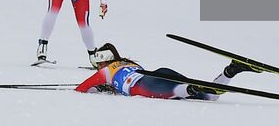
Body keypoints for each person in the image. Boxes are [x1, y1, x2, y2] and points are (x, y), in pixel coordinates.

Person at [75, 43, 257, 100]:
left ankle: (192, 89)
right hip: (158, 73)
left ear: (103, 61)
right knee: (210, 96)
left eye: (98, 65)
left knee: (195, 92)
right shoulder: (127, 62)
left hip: (145, 86)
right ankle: (231, 71)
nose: (98, 69)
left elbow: (81, 89)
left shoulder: (105, 71)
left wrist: (101, 86)